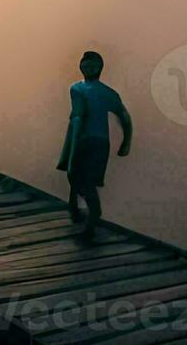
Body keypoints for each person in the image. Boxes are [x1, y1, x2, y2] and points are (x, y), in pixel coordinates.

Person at [56, 49, 133, 240]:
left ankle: (92, 214)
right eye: (85, 63)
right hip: (92, 139)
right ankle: (75, 208)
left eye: (92, 65)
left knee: (80, 177)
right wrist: (126, 140)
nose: (88, 67)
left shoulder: (80, 90)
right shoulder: (99, 91)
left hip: (85, 138)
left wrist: (126, 141)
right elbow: (123, 116)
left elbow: (120, 115)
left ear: (100, 67)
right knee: (77, 175)